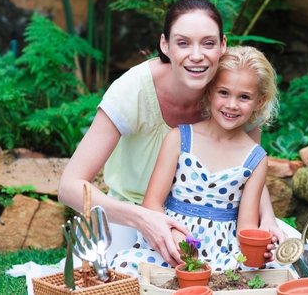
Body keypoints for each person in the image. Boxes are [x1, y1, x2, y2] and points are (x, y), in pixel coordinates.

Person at [58, 0, 291, 269]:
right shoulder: (133, 89)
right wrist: (144, 218)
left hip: (216, 227)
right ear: (165, 45)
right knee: (112, 274)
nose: (196, 55)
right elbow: (69, 187)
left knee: (283, 259)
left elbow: (247, 169)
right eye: (183, 43)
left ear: (222, 45)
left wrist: (269, 221)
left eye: (208, 43)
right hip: (128, 213)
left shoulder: (231, 92)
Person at [109, 45, 285, 275]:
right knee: (123, 264)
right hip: (170, 246)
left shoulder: (256, 158)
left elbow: (247, 225)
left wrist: (257, 248)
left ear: (259, 102)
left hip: (223, 256)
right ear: (210, 91)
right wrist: (174, 237)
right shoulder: (180, 138)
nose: (231, 104)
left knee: (260, 273)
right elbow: (151, 203)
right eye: (224, 92)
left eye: (244, 97)